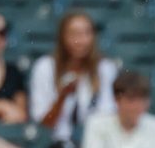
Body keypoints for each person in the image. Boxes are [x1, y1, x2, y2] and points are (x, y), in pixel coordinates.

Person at [29, 11, 118, 141]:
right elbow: (44, 123)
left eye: (86, 33)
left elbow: (108, 114)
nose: (81, 40)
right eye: (74, 34)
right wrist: (62, 97)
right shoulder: (45, 67)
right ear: (62, 37)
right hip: (55, 142)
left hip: (95, 142)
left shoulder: (105, 68)